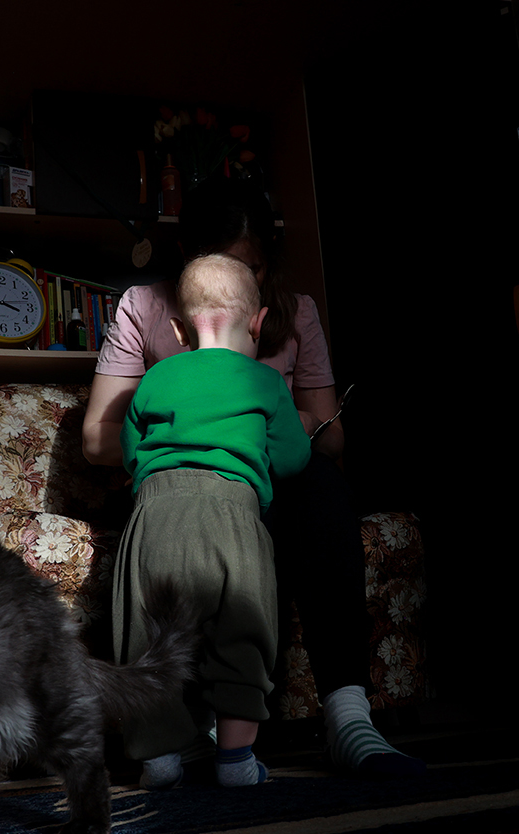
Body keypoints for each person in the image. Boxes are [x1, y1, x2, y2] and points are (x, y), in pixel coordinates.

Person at [83, 177, 425, 778]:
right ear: (187, 255)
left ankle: (346, 716)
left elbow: (329, 440)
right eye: (219, 263)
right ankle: (224, 743)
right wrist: (218, 432)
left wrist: (264, 427)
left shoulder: (294, 316)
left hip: (260, 490)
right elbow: (96, 439)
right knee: (230, 594)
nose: (236, 282)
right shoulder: (145, 306)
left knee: (321, 486)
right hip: (183, 485)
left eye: (253, 269)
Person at [113, 253, 311, 789]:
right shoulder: (265, 382)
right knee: (244, 634)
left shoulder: (155, 378)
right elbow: (293, 459)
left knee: (148, 643)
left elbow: (129, 451)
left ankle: (159, 761)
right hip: (233, 517)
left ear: (179, 330)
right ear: (258, 322)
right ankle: (236, 761)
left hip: (155, 516)